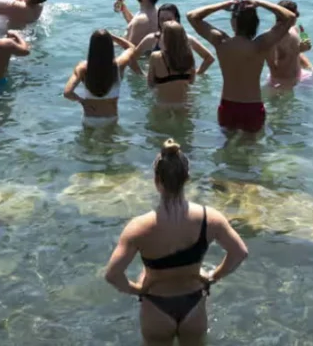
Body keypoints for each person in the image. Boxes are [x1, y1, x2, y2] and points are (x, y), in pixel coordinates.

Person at [105, 140, 249, 345]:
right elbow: (239, 253)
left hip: (156, 307)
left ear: (156, 181)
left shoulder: (138, 228)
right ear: (187, 178)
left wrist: (138, 290)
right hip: (194, 305)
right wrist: (212, 277)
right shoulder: (210, 218)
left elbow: (112, 275)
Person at [188, 0, 296, 133]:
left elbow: (192, 16)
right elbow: (290, 17)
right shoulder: (261, 44)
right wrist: (260, 2)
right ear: (255, 23)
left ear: (234, 22)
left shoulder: (221, 41)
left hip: (228, 106)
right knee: (253, 150)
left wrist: (222, 5)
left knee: (227, 148)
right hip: (253, 107)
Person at [63, 29, 141, 127]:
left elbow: (67, 93)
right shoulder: (119, 65)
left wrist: (82, 102)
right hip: (110, 118)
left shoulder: (82, 67)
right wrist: (113, 37)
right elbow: (131, 47)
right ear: (110, 46)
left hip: (89, 118)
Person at [147, 4, 215, 76]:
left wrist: (197, 73)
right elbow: (133, 57)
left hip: (181, 82)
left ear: (176, 19)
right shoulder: (153, 38)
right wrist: (142, 75)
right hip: (159, 82)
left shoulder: (187, 39)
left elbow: (209, 58)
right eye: (161, 19)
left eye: (169, 19)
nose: (164, 23)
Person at [266, 0, 313, 87]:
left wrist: (311, 67)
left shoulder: (294, 29)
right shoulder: (272, 36)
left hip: (298, 75)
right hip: (281, 81)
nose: (298, 16)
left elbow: (297, 53)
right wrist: (296, 50)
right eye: (295, 14)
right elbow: (273, 65)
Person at [147, 21, 200, 105]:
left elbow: (150, 83)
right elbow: (191, 81)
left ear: (166, 38)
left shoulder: (156, 57)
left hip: (162, 106)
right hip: (185, 106)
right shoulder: (189, 56)